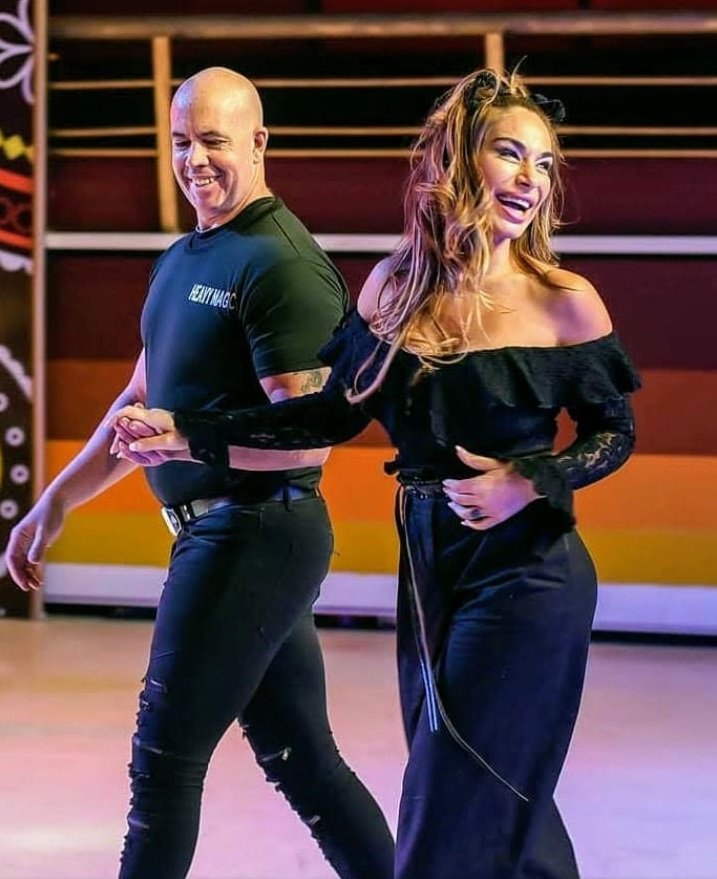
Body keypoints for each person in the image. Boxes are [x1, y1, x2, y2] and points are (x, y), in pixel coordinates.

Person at [111, 69, 641, 878]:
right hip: (429, 566)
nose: (530, 179)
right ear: (457, 160)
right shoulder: (395, 288)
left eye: (542, 163)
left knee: (449, 793)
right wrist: (191, 431)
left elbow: (613, 431)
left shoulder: (565, 299)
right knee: (503, 801)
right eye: (510, 154)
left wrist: (530, 479)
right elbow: (326, 417)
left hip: (530, 571)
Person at [5, 68, 395, 879]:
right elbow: (140, 400)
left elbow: (308, 442)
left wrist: (189, 442)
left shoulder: (280, 265)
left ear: (258, 142)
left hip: (255, 532)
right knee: (302, 760)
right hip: (226, 534)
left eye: (213, 140)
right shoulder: (184, 256)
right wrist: (56, 500)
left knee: (164, 764)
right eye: (181, 141)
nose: (194, 159)